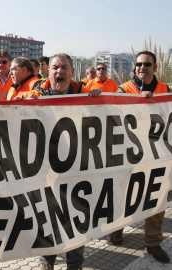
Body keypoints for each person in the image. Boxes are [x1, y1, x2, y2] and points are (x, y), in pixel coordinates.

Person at [26, 53, 101, 270]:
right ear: (48, 72)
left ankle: (75, 264)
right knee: (47, 218)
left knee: (76, 219)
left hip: (77, 171)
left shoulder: (84, 92)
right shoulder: (36, 94)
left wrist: (99, 98)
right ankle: (46, 260)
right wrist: (25, 104)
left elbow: (112, 112)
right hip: (46, 172)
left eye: (65, 67)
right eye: (55, 67)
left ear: (72, 72)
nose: (60, 71)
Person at [111, 50, 171, 264]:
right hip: (127, 155)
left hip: (156, 156)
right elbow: (111, 112)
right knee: (123, 195)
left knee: (156, 196)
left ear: (155, 68)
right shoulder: (123, 89)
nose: (142, 68)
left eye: (147, 64)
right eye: (138, 64)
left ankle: (153, 241)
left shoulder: (166, 91)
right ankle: (117, 228)